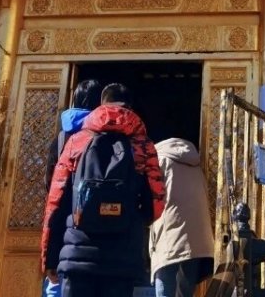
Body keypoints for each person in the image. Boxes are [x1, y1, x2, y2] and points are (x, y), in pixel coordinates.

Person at [42, 82, 165, 297]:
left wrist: (50, 257)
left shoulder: (77, 141)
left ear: (101, 105)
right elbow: (156, 203)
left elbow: (56, 201)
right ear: (131, 107)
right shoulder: (143, 146)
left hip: (77, 251)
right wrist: (131, 219)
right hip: (122, 256)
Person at [44, 80, 103, 297]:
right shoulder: (105, 138)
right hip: (94, 228)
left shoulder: (61, 139)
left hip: (61, 224)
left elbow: (49, 188)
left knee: (55, 286)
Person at [149, 138, 214, 297]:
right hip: (197, 236)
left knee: (165, 280)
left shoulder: (159, 160)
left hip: (170, 232)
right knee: (185, 290)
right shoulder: (195, 164)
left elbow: (152, 196)